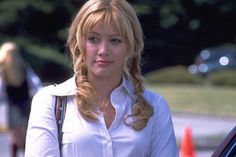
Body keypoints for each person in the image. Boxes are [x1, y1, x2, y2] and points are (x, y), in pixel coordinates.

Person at [25, 0, 179, 156]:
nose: (103, 50)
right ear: (79, 43)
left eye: (115, 40)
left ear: (130, 47)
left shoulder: (155, 106)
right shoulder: (50, 102)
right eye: (93, 39)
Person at [0, 41, 42, 157]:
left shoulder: (8, 71)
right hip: (21, 105)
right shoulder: (21, 69)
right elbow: (36, 84)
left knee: (16, 135)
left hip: (17, 106)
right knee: (20, 134)